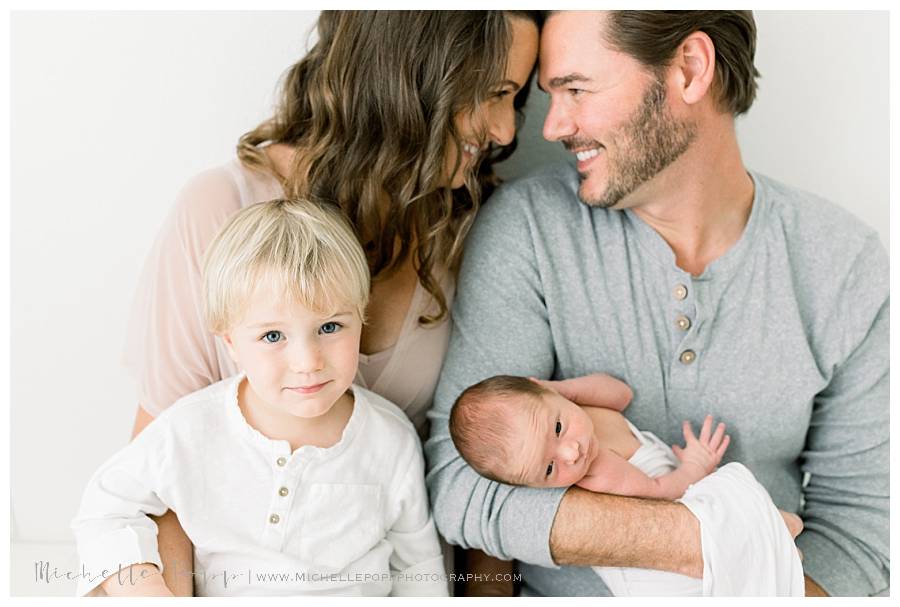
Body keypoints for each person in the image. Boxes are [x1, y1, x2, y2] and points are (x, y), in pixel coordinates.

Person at [425, 10, 888, 597]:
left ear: (690, 69)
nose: (548, 127)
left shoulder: (841, 261)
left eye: (575, 89)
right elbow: (462, 484)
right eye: (549, 95)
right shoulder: (530, 230)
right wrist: (715, 544)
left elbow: (865, 530)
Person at [122, 11, 539, 595]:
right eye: (490, 94)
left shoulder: (474, 226)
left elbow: (494, 468)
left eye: (514, 99)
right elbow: (156, 491)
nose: (503, 131)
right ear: (408, 75)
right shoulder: (222, 209)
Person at [74, 198, 447, 597]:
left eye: (330, 326)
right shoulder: (193, 429)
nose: (307, 362)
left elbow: (418, 571)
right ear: (231, 342)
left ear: (361, 316)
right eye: (273, 336)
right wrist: (147, 589)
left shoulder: (390, 440)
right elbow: (106, 507)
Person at [449, 373, 805, 596]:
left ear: (542, 389)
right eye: (549, 470)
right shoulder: (598, 470)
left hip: (672, 539)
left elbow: (620, 394)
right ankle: (770, 545)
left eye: (557, 429)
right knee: (729, 493)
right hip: (655, 572)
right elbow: (662, 492)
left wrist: (566, 389)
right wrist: (695, 463)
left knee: (734, 544)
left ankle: (769, 552)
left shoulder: (579, 412)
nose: (571, 453)